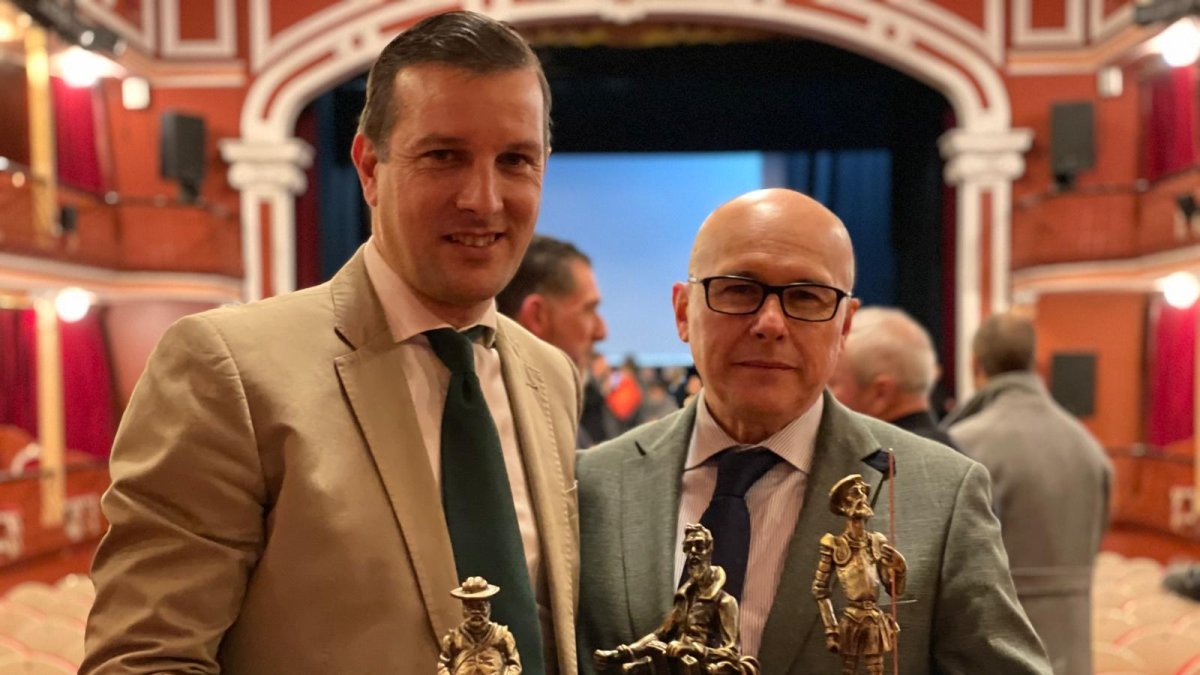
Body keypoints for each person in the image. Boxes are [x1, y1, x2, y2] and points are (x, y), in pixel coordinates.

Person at [83, 12, 581, 675]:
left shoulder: (551, 375)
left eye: (515, 160)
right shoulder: (226, 369)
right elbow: (144, 660)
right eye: (444, 156)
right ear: (370, 166)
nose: (483, 199)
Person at [576, 188, 1051, 674]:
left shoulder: (941, 495)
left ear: (845, 326)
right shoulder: (593, 484)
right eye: (739, 288)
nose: (770, 323)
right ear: (683, 311)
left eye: (806, 296)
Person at [945, 312, 1112, 675]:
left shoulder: (961, 443)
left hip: (996, 654)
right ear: (1035, 362)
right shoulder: (1089, 447)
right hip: (1073, 654)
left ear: (976, 366)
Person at [594, 524, 760, 675]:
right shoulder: (685, 597)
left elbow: (731, 652)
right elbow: (660, 634)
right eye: (688, 547)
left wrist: (692, 649)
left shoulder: (725, 602)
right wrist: (623, 653)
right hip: (673, 661)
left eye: (699, 546)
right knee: (631, 669)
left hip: (701, 666)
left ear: (709, 549)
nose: (693, 552)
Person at [498, 235, 616, 446]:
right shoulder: (507, 436)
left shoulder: (557, 422)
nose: (602, 331)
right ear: (537, 316)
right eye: (589, 310)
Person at [828, 306, 963, 451]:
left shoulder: (885, 467)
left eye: (831, 385)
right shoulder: (956, 460)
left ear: (881, 394)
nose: (821, 396)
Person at [812, 475, 906, 675]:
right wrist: (831, 629)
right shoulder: (834, 544)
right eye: (855, 493)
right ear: (843, 506)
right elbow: (820, 590)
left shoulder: (877, 542)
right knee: (849, 670)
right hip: (851, 620)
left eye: (863, 491)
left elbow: (892, 589)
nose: (862, 497)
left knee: (876, 669)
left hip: (873, 618)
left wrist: (900, 569)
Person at [439, 577, 523, 675]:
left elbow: (515, 665)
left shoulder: (502, 635)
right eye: (471, 608)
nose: (476, 613)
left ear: (489, 608)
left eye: (481, 607)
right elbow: (443, 665)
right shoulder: (453, 638)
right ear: (463, 610)